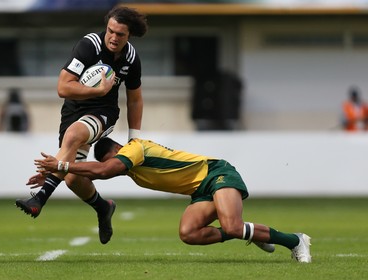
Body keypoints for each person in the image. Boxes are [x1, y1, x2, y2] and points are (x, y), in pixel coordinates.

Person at [34, 137, 312, 263]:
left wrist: (62, 165)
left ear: (118, 149)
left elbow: (104, 170)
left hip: (216, 173)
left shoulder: (134, 149)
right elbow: (92, 176)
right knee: (189, 233)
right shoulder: (128, 166)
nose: (118, 166)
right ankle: (245, 230)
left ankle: (295, 240)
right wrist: (51, 178)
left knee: (231, 225)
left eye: (115, 160)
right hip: (201, 191)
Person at [16, 6, 148, 245]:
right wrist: (97, 90)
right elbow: (63, 87)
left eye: (120, 34)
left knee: (75, 134)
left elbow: (135, 98)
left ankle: (40, 198)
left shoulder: (131, 58)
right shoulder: (89, 46)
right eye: (110, 31)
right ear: (106, 27)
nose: (113, 37)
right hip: (73, 110)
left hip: (104, 113)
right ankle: (103, 207)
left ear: (129, 36)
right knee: (72, 177)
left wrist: (134, 138)